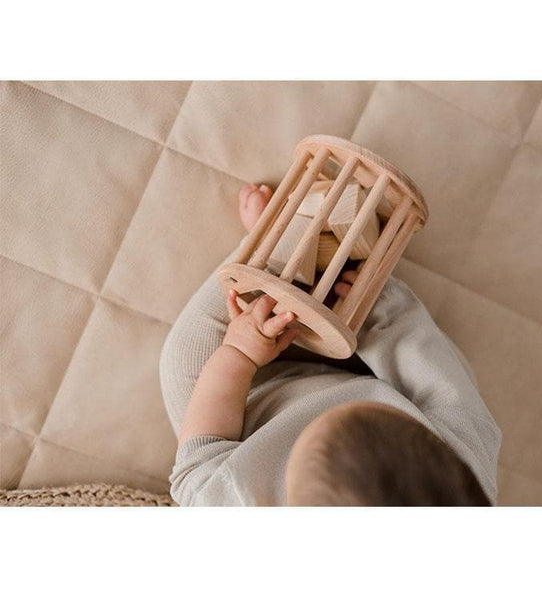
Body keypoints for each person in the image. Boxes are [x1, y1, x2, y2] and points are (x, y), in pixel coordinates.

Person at [160, 184, 502, 506]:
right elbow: (440, 390)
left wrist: (238, 354)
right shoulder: (466, 465)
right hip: (375, 382)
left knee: (183, 358)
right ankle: (347, 282)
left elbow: (200, 454)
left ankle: (272, 249)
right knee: (443, 375)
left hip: (246, 415)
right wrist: (383, 307)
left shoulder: (231, 501)